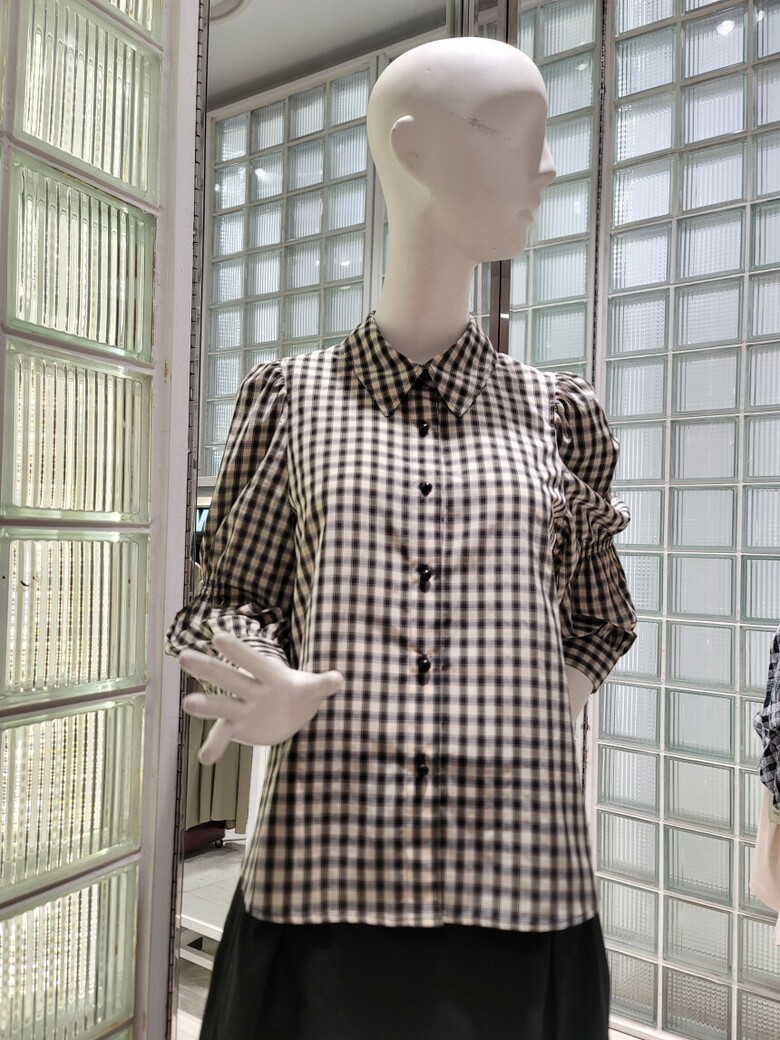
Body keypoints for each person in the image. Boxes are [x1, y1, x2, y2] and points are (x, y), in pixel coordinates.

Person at [167, 36, 637, 1040]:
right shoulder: (292, 401)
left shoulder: (559, 415)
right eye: (514, 135)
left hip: (520, 883)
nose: (549, 167)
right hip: (325, 881)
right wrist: (264, 679)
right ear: (415, 148)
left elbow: (601, 617)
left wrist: (536, 707)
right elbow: (227, 595)